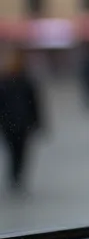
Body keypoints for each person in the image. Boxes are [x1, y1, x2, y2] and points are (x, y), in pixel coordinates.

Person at [0, 47, 44, 192]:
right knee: (15, 152)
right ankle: (15, 176)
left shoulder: (26, 81)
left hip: (21, 123)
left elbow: (34, 103)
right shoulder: (5, 82)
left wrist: (38, 122)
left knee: (20, 152)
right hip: (11, 124)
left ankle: (17, 176)